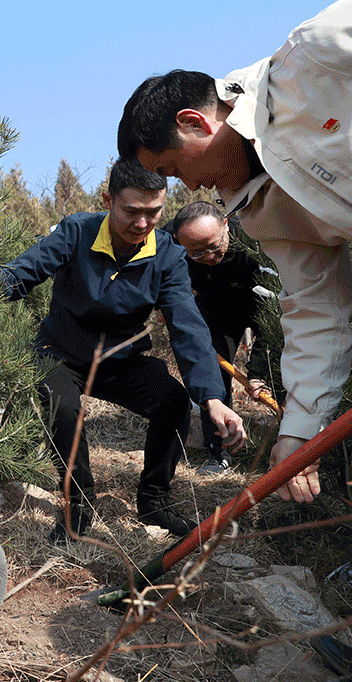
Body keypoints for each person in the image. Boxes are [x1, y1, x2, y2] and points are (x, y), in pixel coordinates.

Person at [117, 0, 351, 503]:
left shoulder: (317, 54)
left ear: (194, 122)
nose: (188, 185)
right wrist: (300, 432)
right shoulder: (264, 213)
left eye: (175, 169)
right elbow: (318, 310)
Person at [0, 158, 246, 544]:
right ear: (108, 200)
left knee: (173, 402)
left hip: (119, 360)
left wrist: (212, 398)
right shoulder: (77, 232)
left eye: (154, 212)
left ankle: (154, 502)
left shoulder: (167, 255)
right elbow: (22, 273)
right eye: (131, 211)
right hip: (59, 352)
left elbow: (187, 328)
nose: (142, 223)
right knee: (62, 406)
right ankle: (79, 508)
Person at [164, 201, 282, 475]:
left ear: (226, 225)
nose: (209, 256)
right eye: (196, 252)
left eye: (215, 246)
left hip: (261, 302)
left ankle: (291, 442)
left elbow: (275, 315)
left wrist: (258, 372)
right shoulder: (169, 240)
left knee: (278, 370)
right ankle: (218, 452)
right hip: (215, 305)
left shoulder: (256, 239)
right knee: (212, 374)